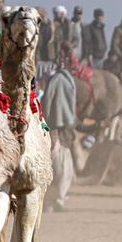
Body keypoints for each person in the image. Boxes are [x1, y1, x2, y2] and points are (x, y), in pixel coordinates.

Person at [41, 42, 78, 211]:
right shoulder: (64, 80)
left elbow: (48, 102)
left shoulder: (59, 80)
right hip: (59, 126)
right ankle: (55, 198)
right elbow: (49, 102)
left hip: (59, 127)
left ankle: (58, 198)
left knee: (62, 164)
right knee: (60, 164)